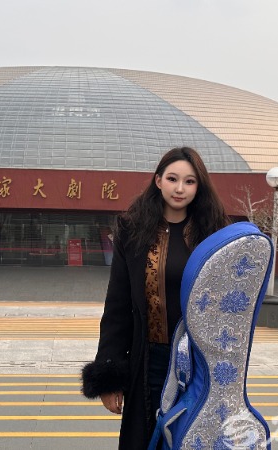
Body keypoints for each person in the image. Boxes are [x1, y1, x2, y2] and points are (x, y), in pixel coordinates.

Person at [81, 147, 228, 449]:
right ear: (158, 180)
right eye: (172, 179)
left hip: (199, 365)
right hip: (149, 361)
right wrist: (109, 376)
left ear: (199, 187)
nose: (179, 188)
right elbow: (118, 305)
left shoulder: (214, 234)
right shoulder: (133, 231)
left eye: (189, 181)